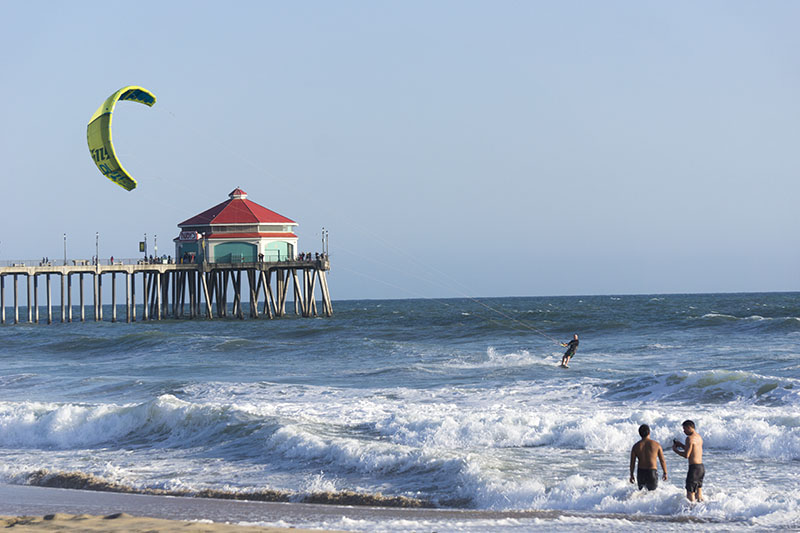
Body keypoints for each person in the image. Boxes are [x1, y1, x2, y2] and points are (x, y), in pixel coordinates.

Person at [671, 420, 704, 502]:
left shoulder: (689, 438)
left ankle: (691, 512)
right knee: (698, 493)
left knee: (690, 492)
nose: (684, 431)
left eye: (684, 429)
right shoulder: (699, 437)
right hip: (701, 468)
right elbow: (693, 450)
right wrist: (681, 445)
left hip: (694, 468)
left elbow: (686, 455)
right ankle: (701, 511)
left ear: (689, 427)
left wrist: (676, 451)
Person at [629, 424, 668, 491]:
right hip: (652, 472)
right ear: (649, 432)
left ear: (639, 433)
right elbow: (662, 460)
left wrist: (631, 474)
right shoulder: (656, 445)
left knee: (641, 494)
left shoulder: (636, 446)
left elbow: (632, 462)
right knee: (652, 494)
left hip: (641, 473)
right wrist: (665, 473)